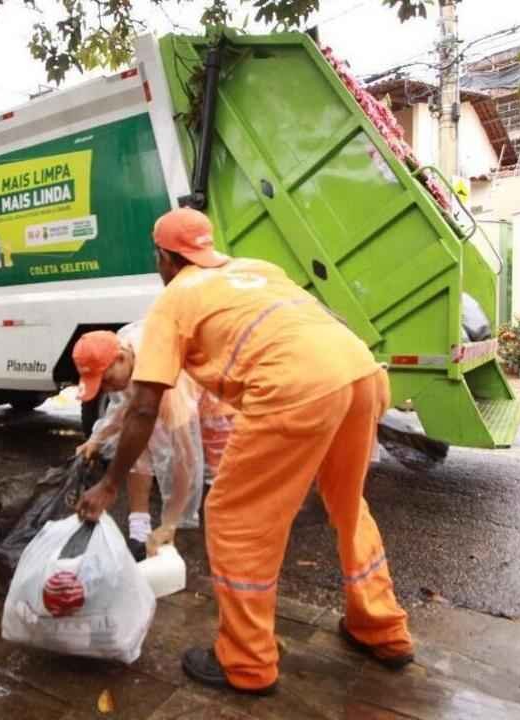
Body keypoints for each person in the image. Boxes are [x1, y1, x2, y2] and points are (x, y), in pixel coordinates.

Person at [77, 207, 413, 696]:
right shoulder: (258, 269)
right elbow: (328, 317)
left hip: (294, 385)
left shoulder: (174, 300)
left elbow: (144, 406)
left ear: (166, 258)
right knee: (347, 502)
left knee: (236, 518)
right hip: (359, 370)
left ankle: (247, 661)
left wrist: (110, 484)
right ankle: (381, 628)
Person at [73, 323, 203, 561]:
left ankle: (184, 532)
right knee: (134, 441)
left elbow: (185, 458)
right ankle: (139, 530)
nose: (105, 388)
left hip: (212, 399)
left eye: (105, 380)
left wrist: (172, 522)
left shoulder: (163, 378)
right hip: (163, 387)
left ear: (121, 358)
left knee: (212, 467)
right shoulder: (122, 350)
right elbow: (123, 405)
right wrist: (97, 439)